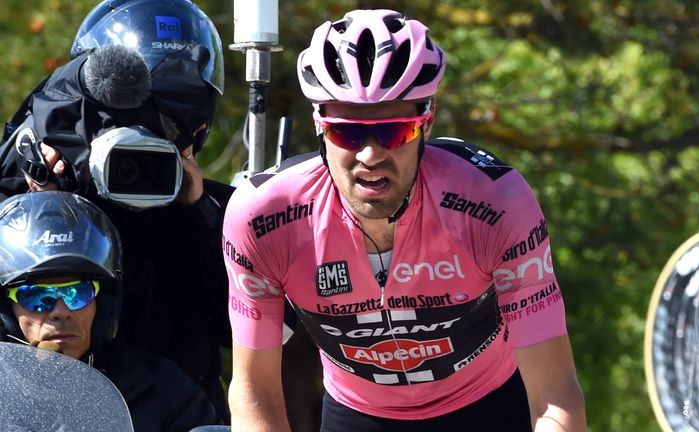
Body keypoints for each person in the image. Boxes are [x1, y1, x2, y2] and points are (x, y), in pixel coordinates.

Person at [223, 8, 587, 432]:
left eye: (395, 132)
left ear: (425, 123)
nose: (370, 155)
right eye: (348, 132)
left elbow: (555, 397)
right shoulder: (264, 218)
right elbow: (254, 392)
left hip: (487, 405)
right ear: (319, 125)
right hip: (358, 412)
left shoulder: (495, 205)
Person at [0, 0, 233, 420]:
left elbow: (256, 329)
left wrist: (200, 215)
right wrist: (39, 206)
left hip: (176, 413)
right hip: (37, 409)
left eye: (169, 122)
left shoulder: (210, 209)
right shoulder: (35, 172)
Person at [0, 190, 221, 432]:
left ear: (104, 303)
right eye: (37, 297)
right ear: (7, 310)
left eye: (78, 293)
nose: (61, 311)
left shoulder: (162, 389)